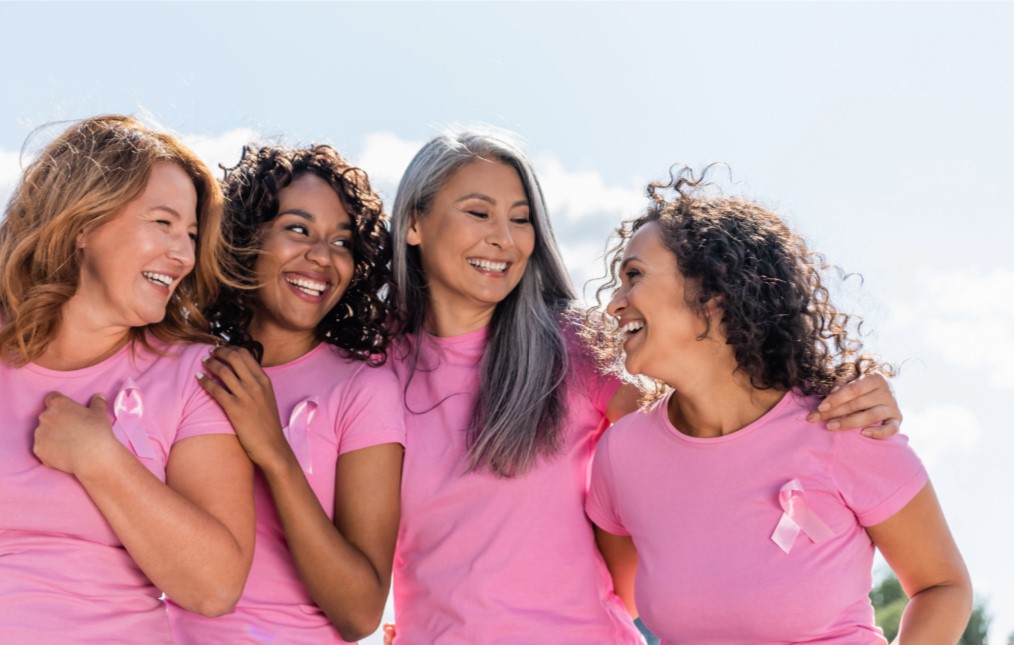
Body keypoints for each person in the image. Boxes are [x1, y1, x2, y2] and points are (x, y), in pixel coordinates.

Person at [383, 129, 906, 643]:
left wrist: (831, 389)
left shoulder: (573, 345)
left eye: (522, 219)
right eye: (479, 213)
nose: (505, 237)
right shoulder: (374, 369)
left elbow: (707, 422)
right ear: (413, 224)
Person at [0, 115, 255, 645]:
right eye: (163, 223)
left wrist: (101, 460)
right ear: (83, 223)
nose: (183, 254)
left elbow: (215, 586)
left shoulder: (193, 375)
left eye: (192, 234)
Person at [586, 166, 972, 643]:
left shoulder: (843, 425)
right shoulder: (623, 455)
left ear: (712, 294)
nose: (613, 304)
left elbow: (943, 586)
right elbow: (606, 604)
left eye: (634, 276)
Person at [167, 144, 404, 644]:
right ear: (244, 240)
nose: (322, 257)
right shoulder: (184, 366)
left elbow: (361, 612)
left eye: (342, 242)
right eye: (298, 229)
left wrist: (274, 453)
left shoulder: (362, 389)